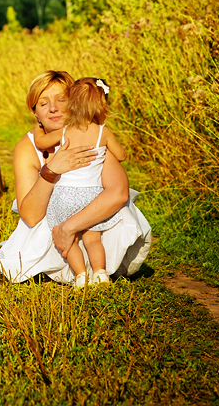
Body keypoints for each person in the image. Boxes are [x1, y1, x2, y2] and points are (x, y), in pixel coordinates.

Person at [0, 70, 151, 283]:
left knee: (118, 213)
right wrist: (51, 171)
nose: (53, 108)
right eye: (43, 103)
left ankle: (97, 269)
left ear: (76, 102)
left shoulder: (91, 138)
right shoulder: (27, 147)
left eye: (61, 100)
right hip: (51, 224)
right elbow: (31, 216)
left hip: (90, 224)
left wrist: (69, 227)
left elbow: (118, 193)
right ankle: (77, 270)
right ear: (34, 112)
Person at [42, 77, 126, 287]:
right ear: (101, 105)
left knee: (69, 241)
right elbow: (121, 155)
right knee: (93, 239)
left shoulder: (64, 131)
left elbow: (41, 142)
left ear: (71, 104)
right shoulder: (102, 132)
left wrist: (42, 130)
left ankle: (80, 276)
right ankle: (100, 273)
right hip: (91, 196)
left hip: (64, 195)